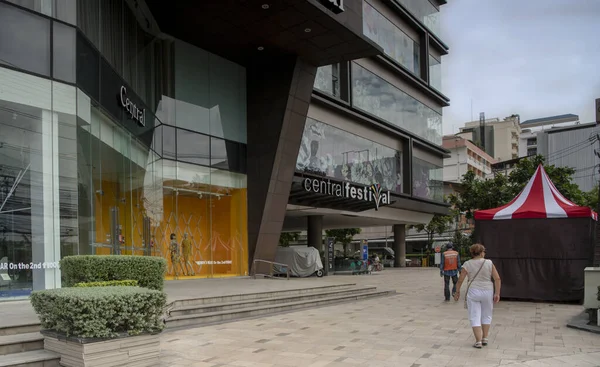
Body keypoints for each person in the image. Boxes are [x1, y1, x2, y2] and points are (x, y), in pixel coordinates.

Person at [453, 243, 501, 349]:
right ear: (482, 252)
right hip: (487, 291)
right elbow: (497, 278)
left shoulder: (467, 264)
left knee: (475, 316)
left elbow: (460, 279)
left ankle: (478, 341)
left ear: (472, 253)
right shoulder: (489, 263)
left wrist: (457, 291)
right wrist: (497, 293)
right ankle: (485, 338)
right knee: (487, 315)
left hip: (473, 292)